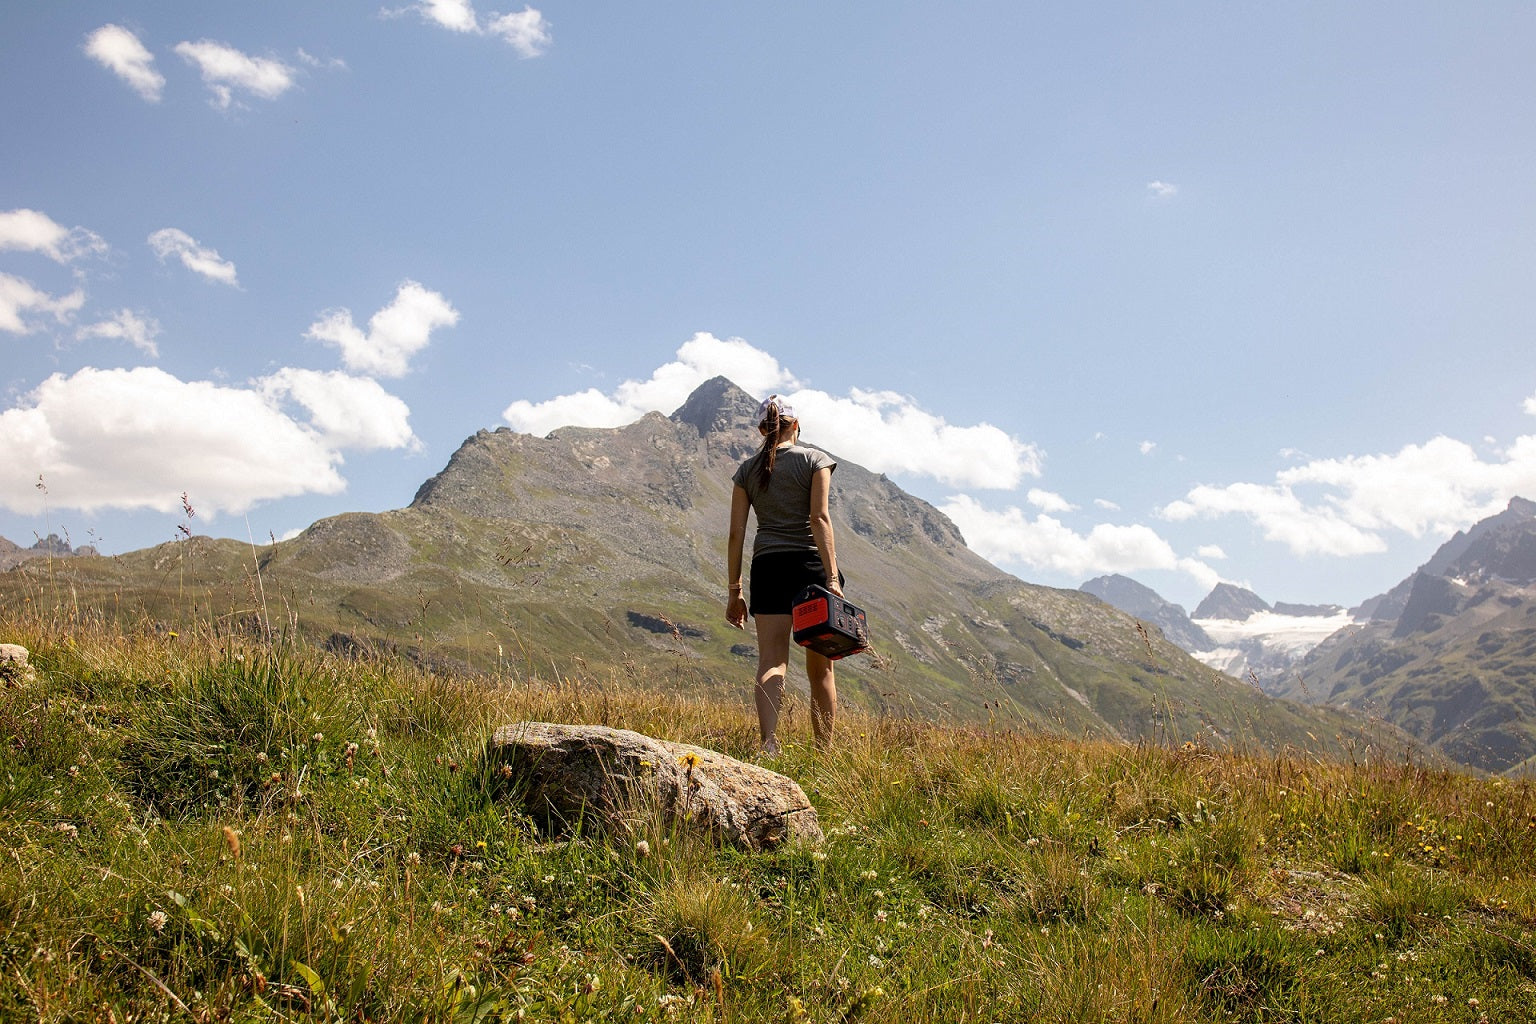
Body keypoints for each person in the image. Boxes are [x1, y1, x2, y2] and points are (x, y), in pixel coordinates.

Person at [725, 394, 842, 753]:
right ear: (797, 423)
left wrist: (735, 591)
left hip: (769, 568)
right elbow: (819, 518)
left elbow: (736, 534)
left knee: (772, 661)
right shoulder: (815, 460)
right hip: (810, 567)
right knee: (820, 669)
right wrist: (833, 579)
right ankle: (824, 755)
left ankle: (769, 745)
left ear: (763, 429)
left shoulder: (747, 471)